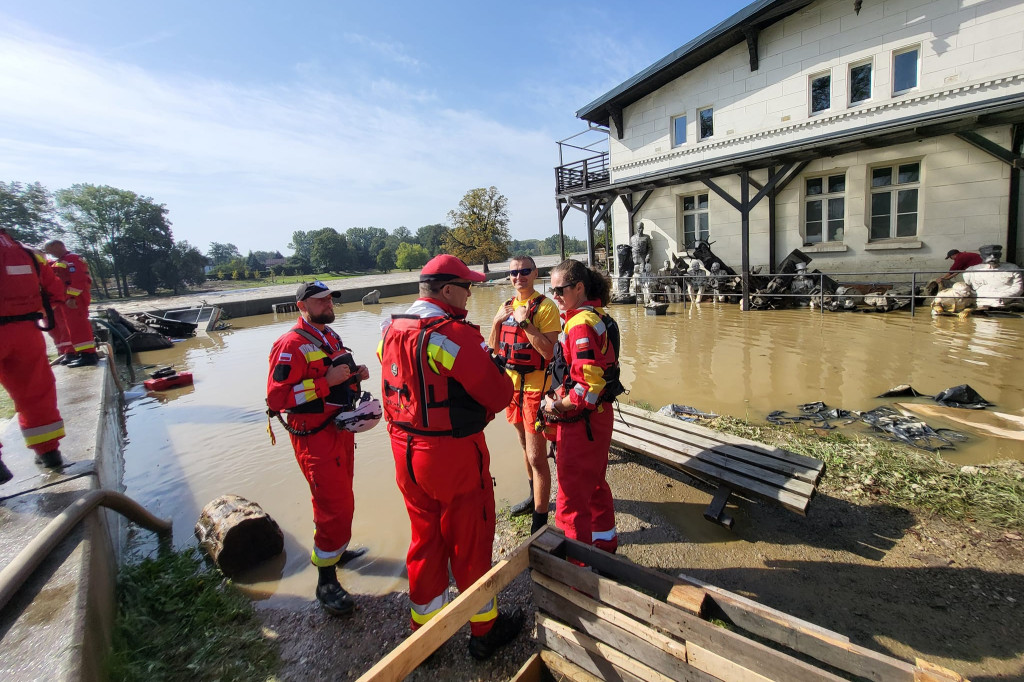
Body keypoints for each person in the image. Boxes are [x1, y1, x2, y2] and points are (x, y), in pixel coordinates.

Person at [378, 254, 522, 661]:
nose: (470, 293)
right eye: (466, 286)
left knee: (425, 540)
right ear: (446, 290)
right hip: (450, 453)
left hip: (403, 449)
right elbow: (497, 395)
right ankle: (484, 632)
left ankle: (425, 638)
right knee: (470, 541)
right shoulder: (451, 335)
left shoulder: (391, 328)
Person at [266, 281, 372, 617]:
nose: (328, 304)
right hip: (313, 435)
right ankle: (325, 582)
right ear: (302, 306)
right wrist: (328, 382)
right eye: (320, 300)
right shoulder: (290, 345)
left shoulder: (329, 337)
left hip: (339, 428)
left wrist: (356, 376)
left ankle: (336, 553)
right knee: (333, 503)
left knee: (343, 496)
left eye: (330, 299)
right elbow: (278, 399)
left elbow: (337, 374)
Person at [541, 260, 625, 556]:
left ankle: (579, 573)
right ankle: (604, 546)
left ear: (579, 287)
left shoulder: (579, 324)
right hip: (599, 418)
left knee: (571, 498)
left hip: (582, 423)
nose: (555, 296)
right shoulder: (596, 315)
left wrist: (556, 406)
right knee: (595, 484)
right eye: (550, 290)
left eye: (560, 290)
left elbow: (589, 387)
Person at [487, 255, 561, 534]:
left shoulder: (545, 307)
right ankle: (533, 499)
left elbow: (550, 352)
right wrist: (496, 322)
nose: (519, 277)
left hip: (535, 389)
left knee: (537, 457)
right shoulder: (505, 306)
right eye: (514, 272)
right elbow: (494, 349)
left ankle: (540, 523)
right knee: (523, 447)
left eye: (525, 271)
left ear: (534, 273)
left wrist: (525, 323)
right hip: (511, 388)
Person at [1, 228, 67, 483]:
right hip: (26, 332)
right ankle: (49, 453)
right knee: (36, 392)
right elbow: (56, 292)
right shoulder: (28, 253)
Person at [43, 239, 98, 367]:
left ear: (57, 246)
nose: (49, 253)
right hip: (67, 299)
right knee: (73, 327)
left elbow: (79, 279)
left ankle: (88, 355)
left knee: (79, 325)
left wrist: (72, 297)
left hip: (74, 299)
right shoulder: (61, 261)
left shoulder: (72, 258)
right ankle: (84, 354)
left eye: (49, 249)